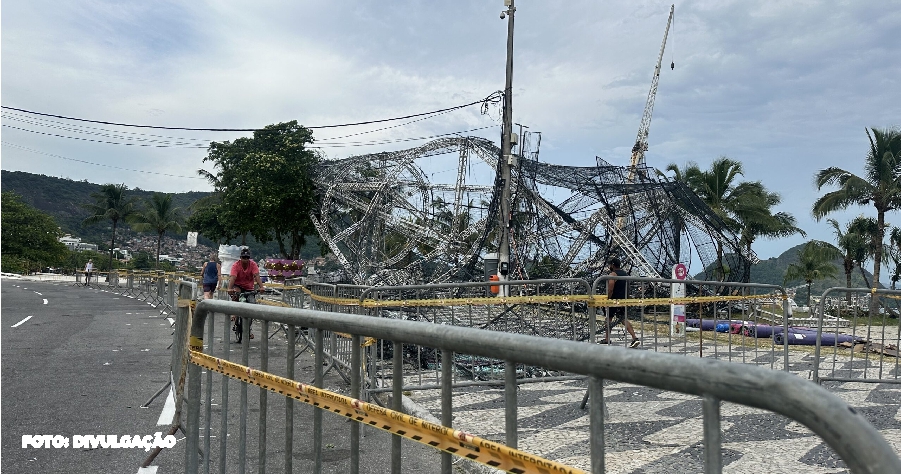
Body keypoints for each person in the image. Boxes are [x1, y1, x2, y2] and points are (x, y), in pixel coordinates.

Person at [227, 247, 266, 343]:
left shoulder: (253, 265)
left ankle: (248, 329)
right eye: (243, 258)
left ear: (249, 258)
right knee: (236, 295)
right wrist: (229, 288)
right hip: (238, 285)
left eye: (247, 258)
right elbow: (233, 277)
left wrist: (261, 287)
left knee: (252, 305)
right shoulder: (236, 265)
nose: (245, 260)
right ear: (240, 258)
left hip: (249, 288)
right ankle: (235, 313)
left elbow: (257, 276)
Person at [602, 257, 641, 348]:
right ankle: (634, 338)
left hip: (613, 301)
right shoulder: (625, 275)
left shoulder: (613, 275)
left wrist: (607, 300)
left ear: (612, 265)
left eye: (609, 265)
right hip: (623, 300)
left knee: (608, 319)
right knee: (623, 319)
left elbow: (611, 289)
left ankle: (607, 339)